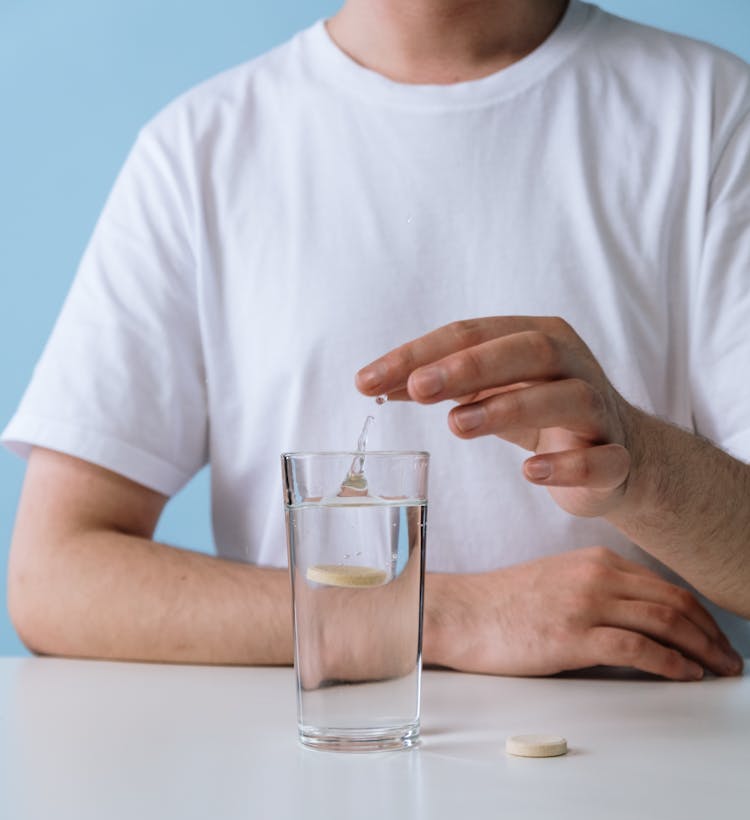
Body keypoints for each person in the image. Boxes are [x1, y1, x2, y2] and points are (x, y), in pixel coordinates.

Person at [3, 0, 749, 680]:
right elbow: (54, 576)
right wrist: (444, 613)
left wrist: (638, 466)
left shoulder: (714, 116)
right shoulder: (198, 150)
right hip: (313, 774)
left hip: (650, 786)